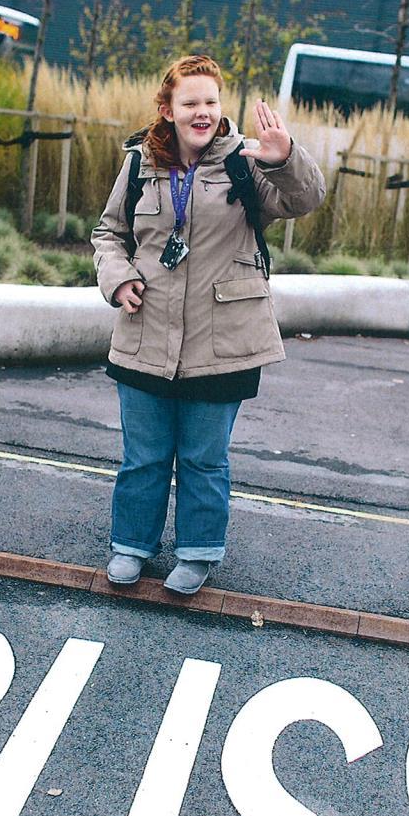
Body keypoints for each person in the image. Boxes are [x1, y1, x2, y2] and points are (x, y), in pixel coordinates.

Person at [91, 54, 326, 595]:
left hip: (224, 340)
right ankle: (131, 546)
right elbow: (108, 234)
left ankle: (197, 553)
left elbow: (306, 198)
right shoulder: (139, 164)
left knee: (203, 458)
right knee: (144, 455)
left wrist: (284, 156)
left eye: (211, 102)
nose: (202, 113)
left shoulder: (248, 162)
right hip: (146, 333)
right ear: (168, 109)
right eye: (190, 103)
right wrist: (119, 278)